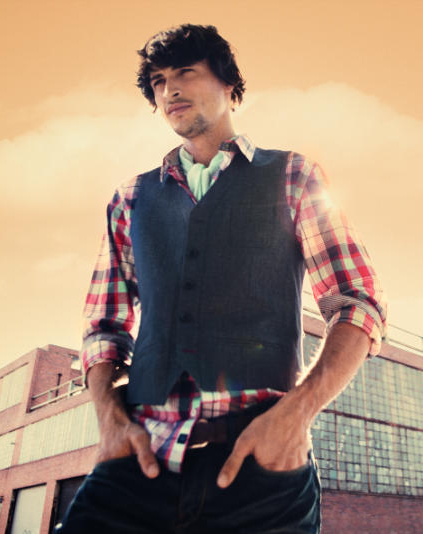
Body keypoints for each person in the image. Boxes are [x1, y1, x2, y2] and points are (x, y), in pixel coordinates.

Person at [57, 24, 386, 534]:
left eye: (185, 73)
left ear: (230, 85)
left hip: (261, 469)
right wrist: (110, 420)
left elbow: (357, 302)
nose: (170, 90)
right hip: (139, 464)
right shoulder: (130, 199)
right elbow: (103, 325)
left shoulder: (294, 176)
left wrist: (297, 415)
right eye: (159, 82)